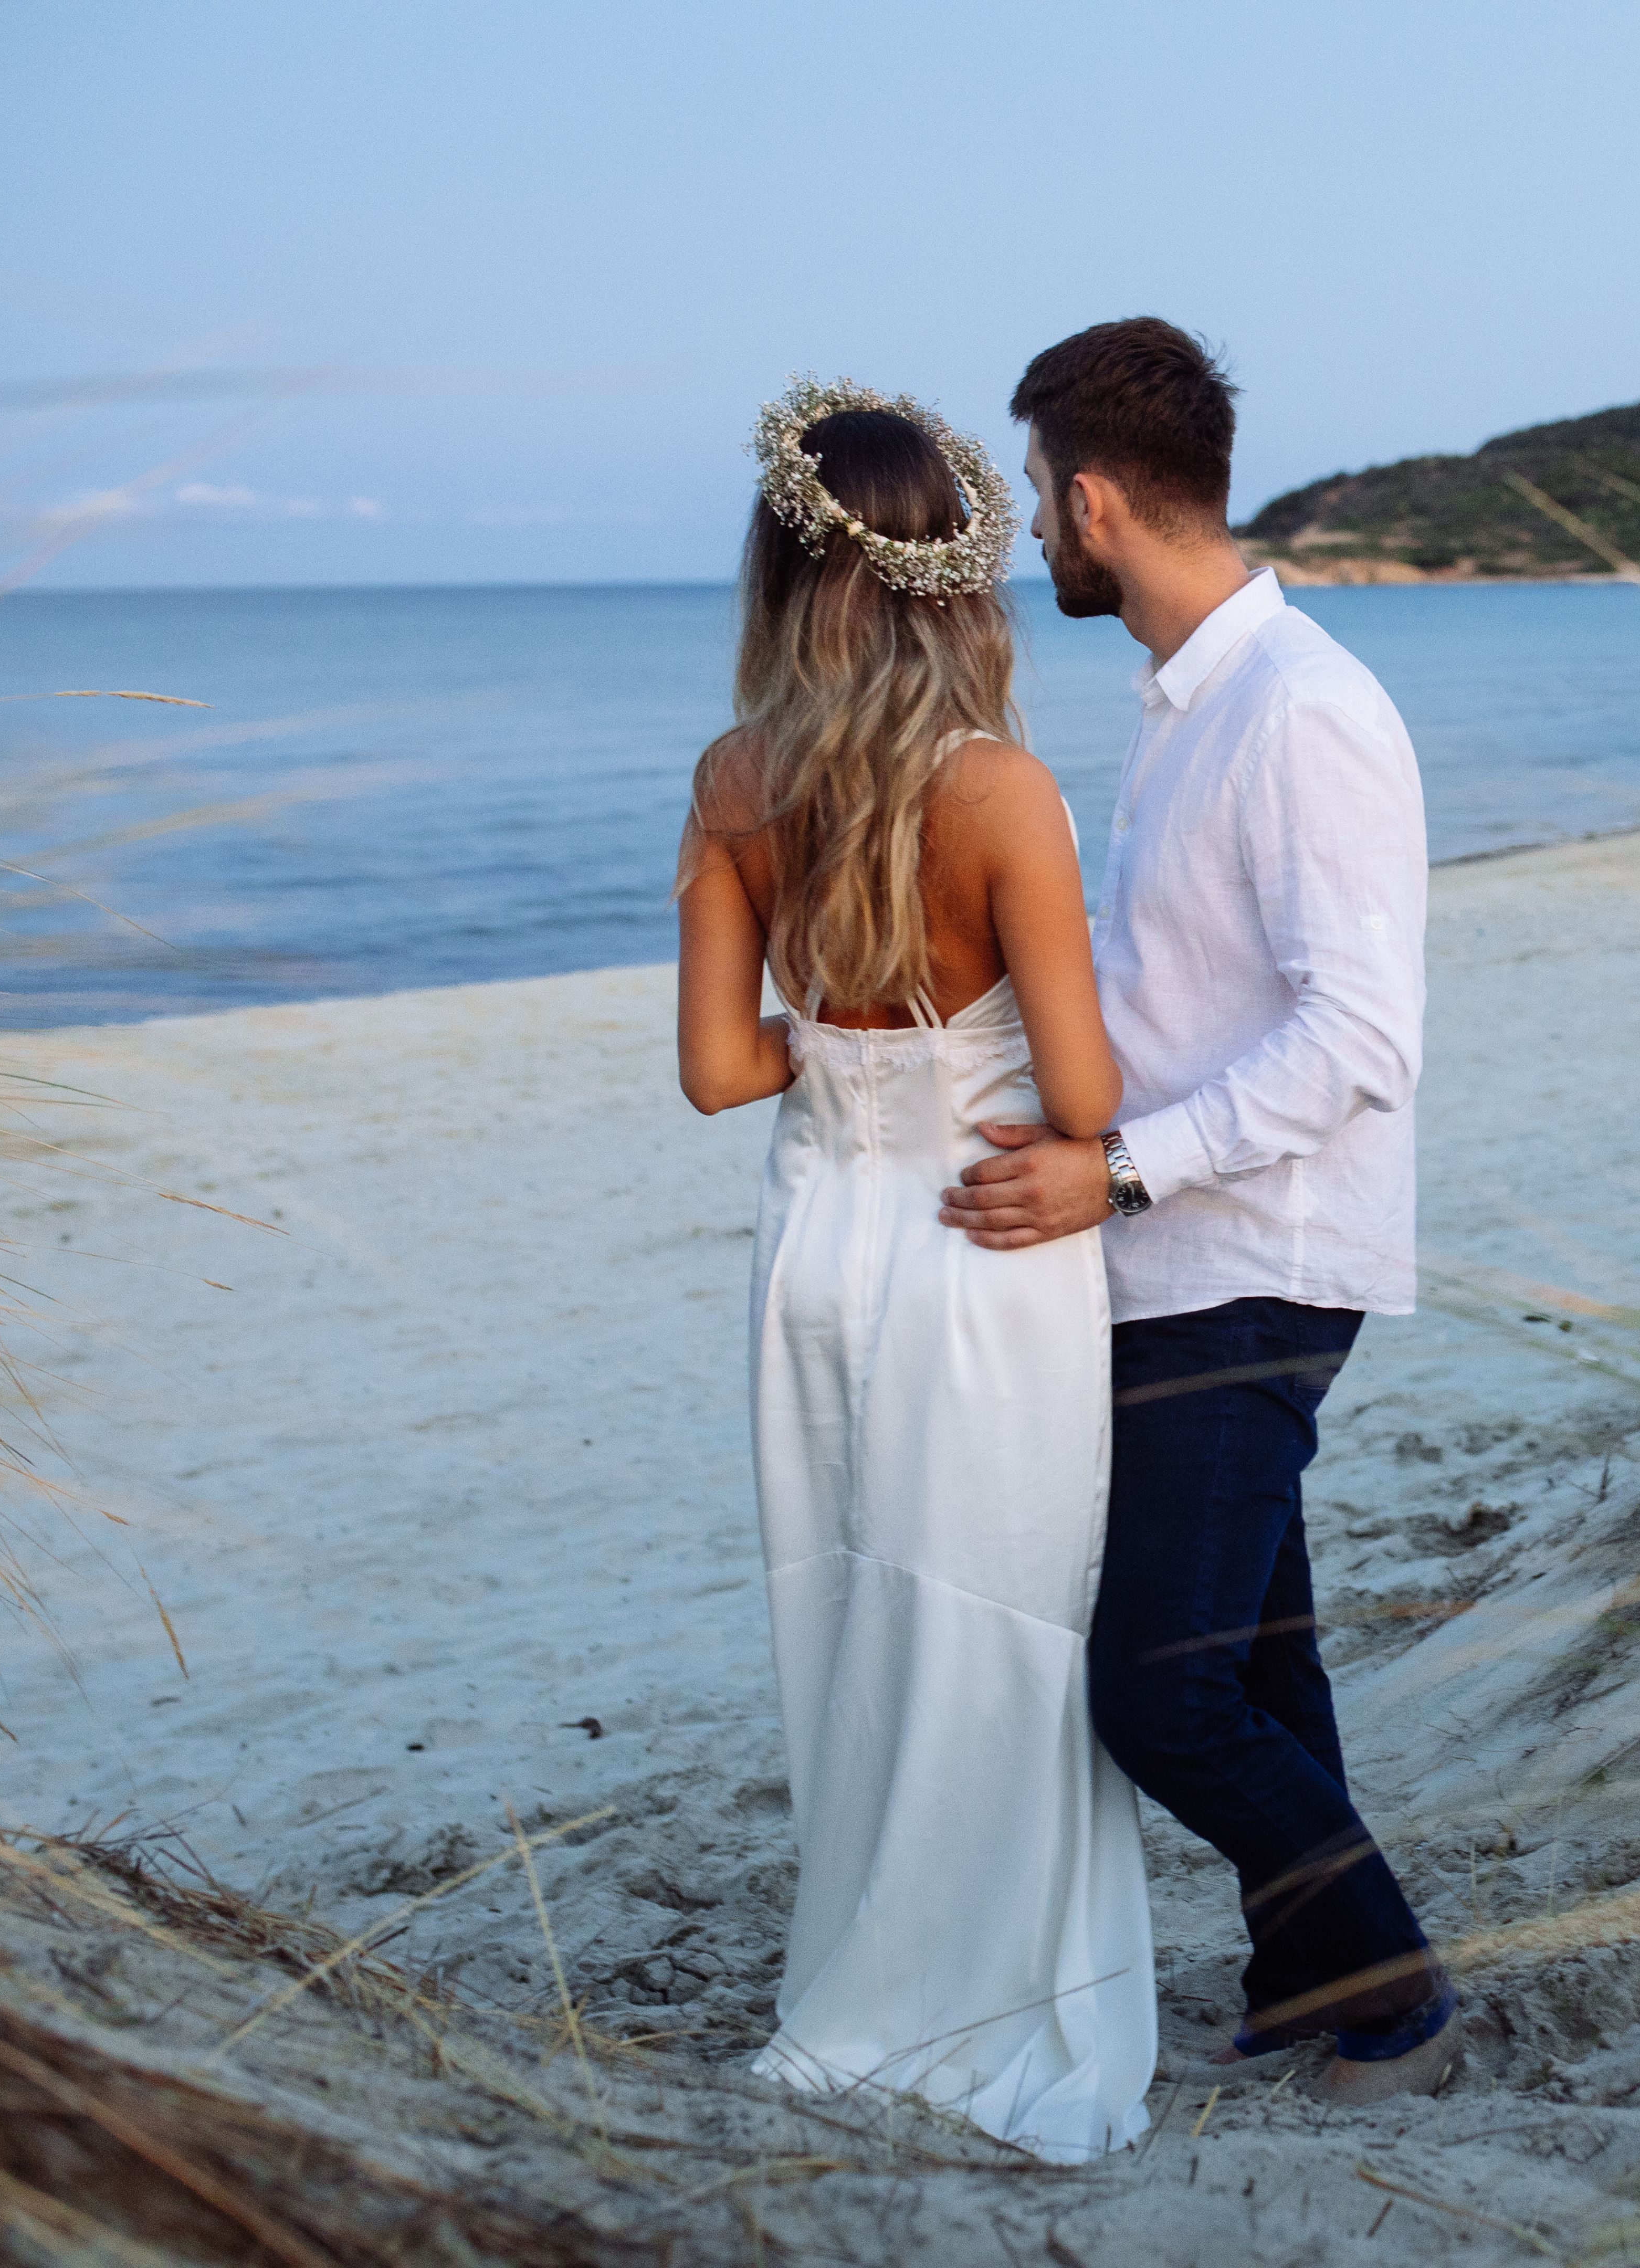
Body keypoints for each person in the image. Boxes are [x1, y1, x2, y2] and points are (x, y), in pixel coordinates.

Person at [941, 318, 1465, 2103]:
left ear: (1093, 500)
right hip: (1180, 1253)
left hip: (1253, 1265)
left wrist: (1129, 1167)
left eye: (1034, 497)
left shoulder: (1301, 707)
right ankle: (1318, 1983)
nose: (1030, 533)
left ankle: (1391, 1991)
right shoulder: (1198, 706)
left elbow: (1363, 1037)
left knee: (1157, 1695)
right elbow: (1194, 1004)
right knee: (1259, 1659)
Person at [674, 377, 1153, 2162]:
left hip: (815, 1250)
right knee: (1003, 1632)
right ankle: (985, 2008)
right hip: (982, 1259)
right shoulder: (1002, 793)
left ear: (785, 581)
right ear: (958, 582)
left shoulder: (735, 780)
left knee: (853, 1616)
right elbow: (1087, 1098)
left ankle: (857, 1993)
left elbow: (724, 1070)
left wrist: (848, 1063)